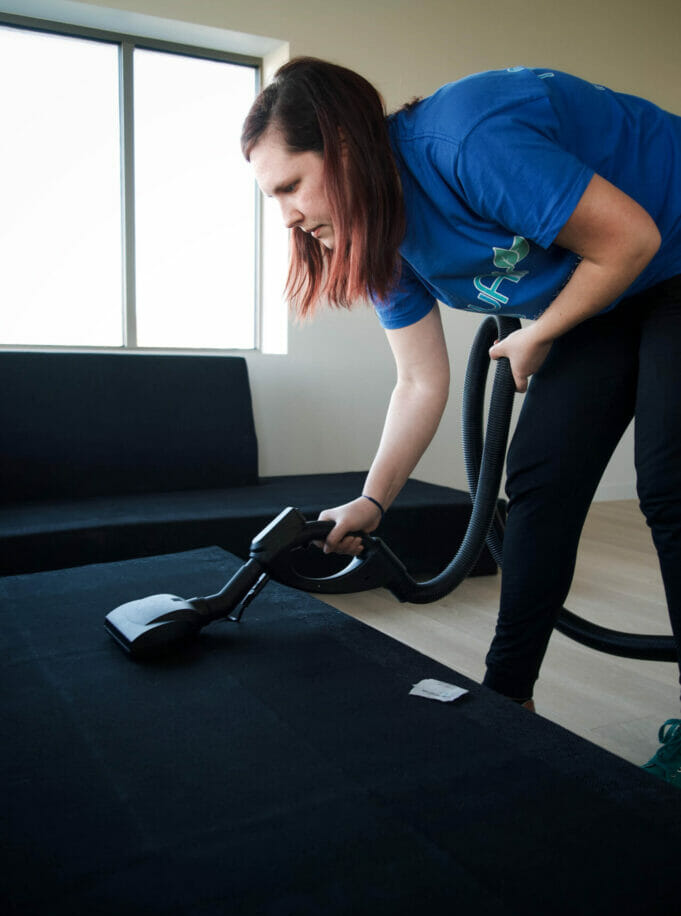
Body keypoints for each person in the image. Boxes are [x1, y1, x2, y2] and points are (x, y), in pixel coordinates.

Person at [241, 57, 681, 786]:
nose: (285, 213)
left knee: (668, 481)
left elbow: (629, 238)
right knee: (539, 480)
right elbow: (417, 380)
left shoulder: (464, 140)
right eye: (271, 196)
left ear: (344, 146)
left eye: (290, 184)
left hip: (663, 245)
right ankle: (507, 699)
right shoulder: (377, 232)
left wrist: (538, 333)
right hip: (603, 281)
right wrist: (372, 500)